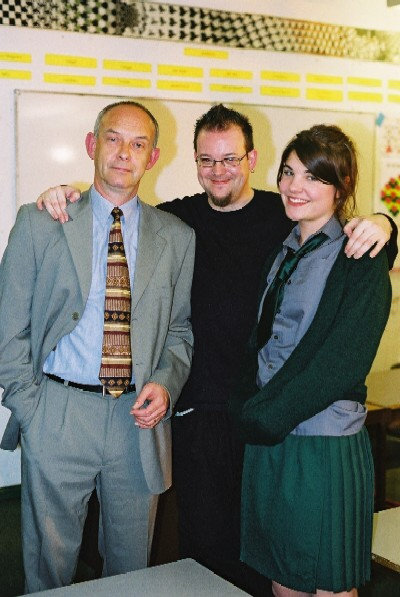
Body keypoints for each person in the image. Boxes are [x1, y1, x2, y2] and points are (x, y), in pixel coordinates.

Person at [35, 105, 397, 596]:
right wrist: (64, 194)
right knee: (207, 549)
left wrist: (385, 224)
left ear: (250, 158)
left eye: (230, 159)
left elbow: (352, 246)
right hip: (199, 413)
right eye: (207, 160)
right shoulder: (176, 220)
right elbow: (115, 210)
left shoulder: (285, 213)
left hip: (272, 414)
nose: (218, 170)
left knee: (271, 552)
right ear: (193, 162)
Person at [0, 100, 195, 593]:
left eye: (138, 144)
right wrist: (33, 408)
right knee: (50, 563)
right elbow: (7, 329)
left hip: (136, 418)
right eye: (112, 138)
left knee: (131, 563)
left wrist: (166, 384)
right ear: (92, 145)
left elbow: (180, 329)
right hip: (58, 412)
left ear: (153, 158)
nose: (123, 153)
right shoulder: (41, 221)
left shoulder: (176, 237)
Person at [229, 125, 391, 597]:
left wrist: (258, 416)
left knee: (329, 586)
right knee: (283, 576)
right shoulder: (285, 250)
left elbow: (341, 363)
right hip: (272, 435)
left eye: (313, 177)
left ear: (340, 187)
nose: (295, 187)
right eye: (288, 172)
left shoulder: (359, 255)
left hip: (322, 442)